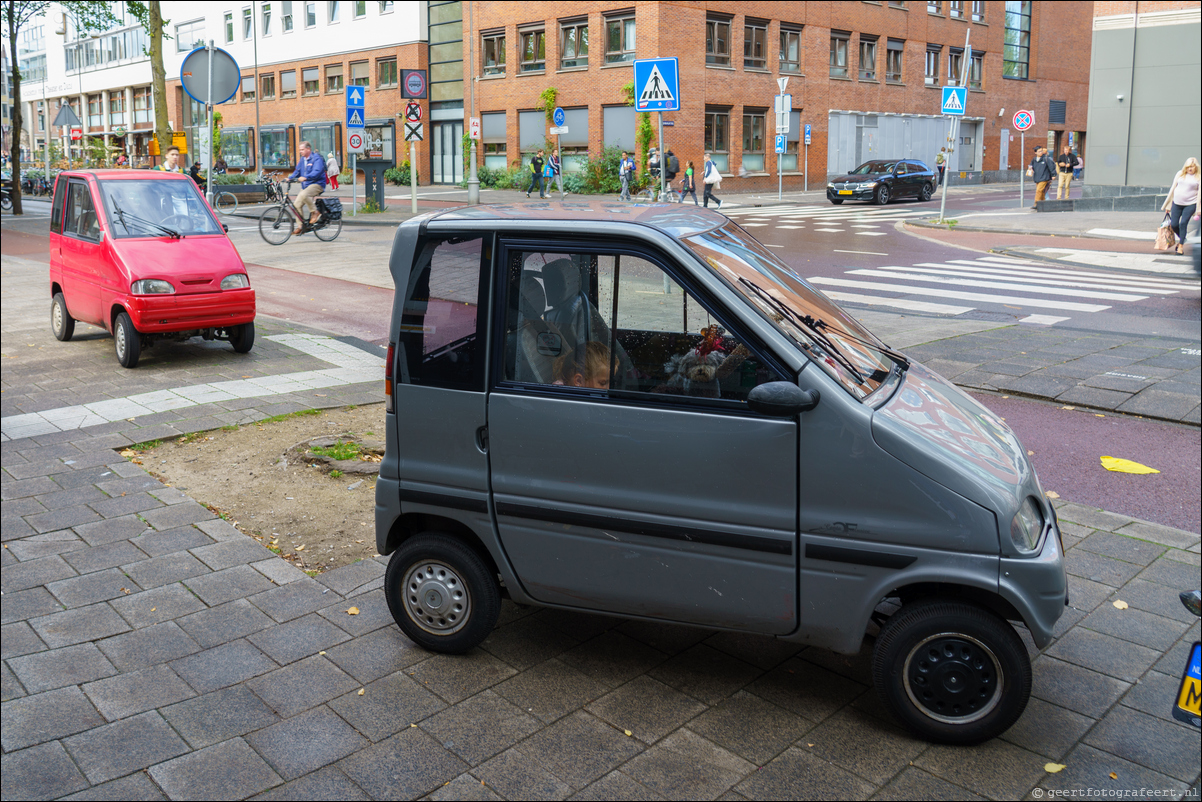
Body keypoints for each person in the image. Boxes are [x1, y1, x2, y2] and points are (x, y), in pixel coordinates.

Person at [1162, 157, 1199, 257]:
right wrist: (1168, 205)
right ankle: (1183, 238)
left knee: (1183, 223)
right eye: (1188, 166)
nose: (1190, 168)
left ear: (1196, 167)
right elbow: (1173, 189)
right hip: (1177, 203)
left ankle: (1181, 246)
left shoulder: (1198, 176)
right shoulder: (1180, 174)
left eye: (1192, 166)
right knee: (1174, 225)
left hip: (1191, 204)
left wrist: (1199, 209)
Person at [288, 140, 327, 235]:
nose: (300, 152)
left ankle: (315, 212)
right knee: (296, 205)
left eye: (302, 149)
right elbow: (297, 171)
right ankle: (301, 226)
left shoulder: (316, 158)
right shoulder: (302, 160)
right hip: (306, 186)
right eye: (299, 150)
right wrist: (289, 178)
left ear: (308, 149)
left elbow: (317, 171)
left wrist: (306, 177)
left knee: (303, 194)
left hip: (317, 184)